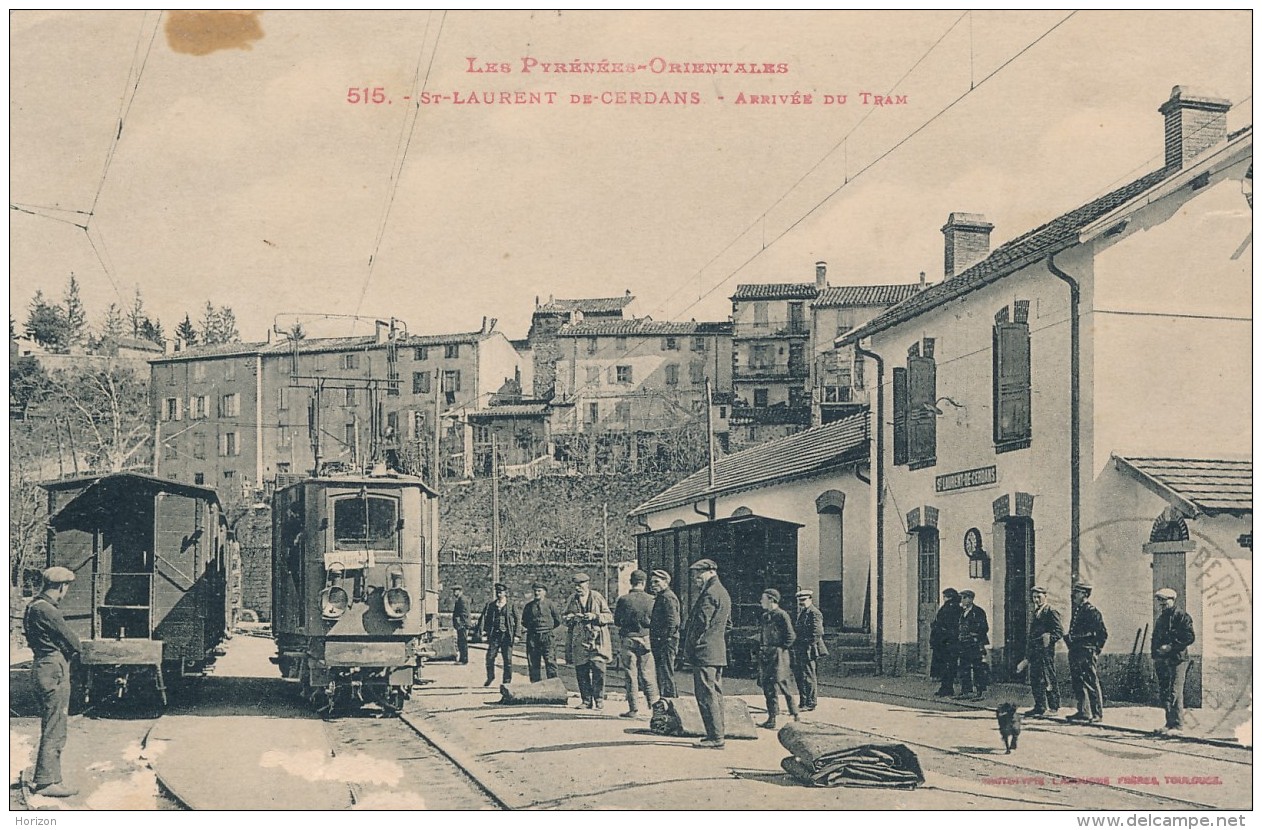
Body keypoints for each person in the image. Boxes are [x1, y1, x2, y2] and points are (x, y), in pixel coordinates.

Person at [22, 566, 82, 798]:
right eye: (66, 587)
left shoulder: (33, 606)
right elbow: (73, 642)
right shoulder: (49, 610)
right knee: (55, 726)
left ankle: (48, 777)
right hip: (53, 668)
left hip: (41, 665)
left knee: (50, 723)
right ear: (61, 587)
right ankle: (47, 782)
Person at [683, 558, 731, 749]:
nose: (696, 578)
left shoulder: (710, 593)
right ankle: (718, 732)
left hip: (704, 652)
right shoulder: (723, 592)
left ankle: (715, 737)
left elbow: (700, 623)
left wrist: (694, 645)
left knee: (705, 694)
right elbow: (728, 625)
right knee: (715, 693)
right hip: (716, 650)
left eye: (698, 574)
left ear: (710, 572)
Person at [613, 569, 660, 718]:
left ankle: (633, 709)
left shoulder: (623, 600)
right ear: (644, 583)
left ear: (631, 582)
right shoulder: (651, 599)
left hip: (628, 639)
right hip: (645, 639)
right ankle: (654, 708)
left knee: (630, 674)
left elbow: (617, 621)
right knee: (648, 674)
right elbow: (655, 621)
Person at [563, 572, 614, 710]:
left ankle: (598, 699)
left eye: (580, 585)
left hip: (597, 640)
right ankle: (586, 700)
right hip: (579, 640)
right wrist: (572, 617)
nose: (578, 588)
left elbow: (609, 616)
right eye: (576, 585)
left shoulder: (597, 597)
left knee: (599, 669)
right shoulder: (572, 599)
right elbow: (565, 616)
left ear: (587, 584)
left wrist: (594, 616)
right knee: (581, 670)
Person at [1151, 587, 1195, 735]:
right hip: (1162, 660)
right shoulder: (1162, 618)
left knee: (1174, 692)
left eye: (1165, 600)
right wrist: (1156, 655)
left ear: (1172, 600)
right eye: (1160, 601)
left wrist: (1171, 646)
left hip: (1178, 659)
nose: (1162, 604)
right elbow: (1155, 638)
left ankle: (1177, 725)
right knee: (1165, 691)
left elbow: (1189, 637)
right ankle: (1169, 723)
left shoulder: (1182, 616)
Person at [1015, 585, 1063, 717]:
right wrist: (1027, 656)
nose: (1036, 600)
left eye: (1038, 597)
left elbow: (1059, 632)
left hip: (1045, 653)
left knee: (1048, 679)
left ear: (1045, 596)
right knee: (1036, 679)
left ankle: (1054, 707)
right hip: (1034, 653)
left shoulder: (1051, 611)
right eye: (1034, 597)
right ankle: (1039, 706)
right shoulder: (1036, 612)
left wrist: (1049, 638)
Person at [1064, 582, 1108, 723]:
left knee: (1090, 682)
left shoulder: (1092, 612)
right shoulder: (1079, 610)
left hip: (1086, 652)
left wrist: (1095, 650)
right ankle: (1083, 711)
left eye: (1077, 592)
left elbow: (1102, 634)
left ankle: (1097, 714)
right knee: (1078, 681)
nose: (1074, 595)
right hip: (1076, 651)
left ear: (1084, 594)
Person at [757, 588, 799, 729]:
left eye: (763, 599)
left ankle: (795, 714)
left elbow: (790, 636)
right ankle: (772, 718)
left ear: (771, 600)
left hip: (778, 655)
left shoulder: (782, 615)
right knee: (768, 687)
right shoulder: (765, 616)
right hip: (766, 654)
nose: (761, 602)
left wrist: (780, 649)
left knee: (783, 685)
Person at [791, 588, 828, 711]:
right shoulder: (803, 612)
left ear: (810, 600)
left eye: (804, 600)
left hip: (808, 649)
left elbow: (817, 633)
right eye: (800, 601)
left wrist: (806, 645)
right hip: (801, 649)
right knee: (800, 676)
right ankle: (803, 702)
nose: (802, 603)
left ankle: (811, 703)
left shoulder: (814, 613)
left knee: (808, 676)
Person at [649, 569, 681, 699]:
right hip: (661, 641)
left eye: (656, 582)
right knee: (662, 673)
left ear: (666, 582)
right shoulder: (662, 596)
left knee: (666, 673)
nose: (653, 585)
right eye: (651, 582)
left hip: (666, 642)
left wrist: (666, 638)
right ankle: (666, 701)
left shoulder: (668, 597)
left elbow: (673, 621)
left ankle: (671, 701)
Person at [522, 582, 563, 682]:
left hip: (547, 636)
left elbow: (558, 620)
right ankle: (536, 686)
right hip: (533, 637)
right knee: (533, 662)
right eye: (535, 591)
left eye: (539, 591)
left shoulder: (550, 605)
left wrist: (547, 629)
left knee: (550, 661)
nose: (537, 593)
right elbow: (524, 621)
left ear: (544, 592)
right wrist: (534, 629)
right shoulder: (529, 606)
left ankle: (553, 685)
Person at [478, 583, 518, 687]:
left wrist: (517, 635)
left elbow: (518, 620)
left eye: (501, 592)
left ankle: (507, 681)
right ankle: (490, 677)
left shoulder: (511, 605)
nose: (499, 594)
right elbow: (487, 619)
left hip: (507, 636)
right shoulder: (491, 605)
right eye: (497, 592)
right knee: (490, 657)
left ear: (505, 593)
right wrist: (484, 631)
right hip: (495, 636)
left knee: (508, 660)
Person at [955, 589, 990, 701]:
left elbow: (984, 628)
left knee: (978, 668)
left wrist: (973, 634)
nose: (962, 600)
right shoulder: (962, 612)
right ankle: (966, 691)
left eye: (964, 598)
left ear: (970, 599)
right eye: (962, 598)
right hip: (964, 644)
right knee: (964, 667)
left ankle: (980, 692)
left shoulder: (978, 612)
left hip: (975, 644)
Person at [930, 588, 962, 696]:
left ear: (948, 597)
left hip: (945, 642)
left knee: (945, 665)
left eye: (944, 596)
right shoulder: (957, 608)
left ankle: (946, 688)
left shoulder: (948, 608)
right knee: (949, 665)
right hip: (949, 641)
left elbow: (943, 624)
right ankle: (946, 687)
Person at [451, 586, 470, 665]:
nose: (454, 593)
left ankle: (464, 660)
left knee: (463, 642)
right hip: (461, 625)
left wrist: (461, 624)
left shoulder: (462, 600)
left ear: (460, 591)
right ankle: (462, 659)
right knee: (461, 642)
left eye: (455, 591)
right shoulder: (460, 599)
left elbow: (464, 613)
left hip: (462, 625)